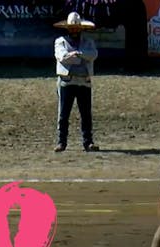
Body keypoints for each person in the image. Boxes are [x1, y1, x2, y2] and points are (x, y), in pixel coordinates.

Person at [53, 12, 99, 152]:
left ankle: (88, 142)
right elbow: (62, 57)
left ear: (81, 28)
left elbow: (93, 55)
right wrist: (80, 56)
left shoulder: (88, 42)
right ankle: (61, 142)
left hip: (84, 82)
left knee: (86, 114)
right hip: (67, 82)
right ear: (68, 28)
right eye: (72, 28)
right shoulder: (60, 41)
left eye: (76, 28)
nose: (74, 30)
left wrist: (76, 55)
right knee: (63, 114)